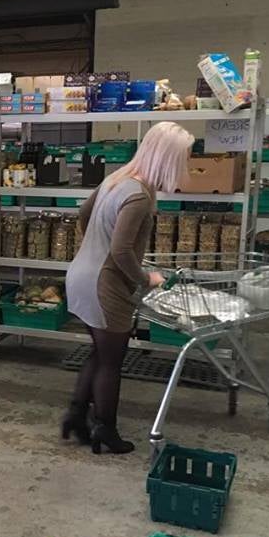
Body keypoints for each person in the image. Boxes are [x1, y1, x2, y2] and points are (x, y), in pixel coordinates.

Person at [62, 122, 194, 454]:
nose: (185, 165)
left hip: (81, 275)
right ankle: (105, 430)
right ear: (167, 158)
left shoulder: (117, 179)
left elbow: (83, 215)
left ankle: (77, 417)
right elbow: (121, 251)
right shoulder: (138, 195)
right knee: (111, 361)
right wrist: (146, 278)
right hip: (104, 286)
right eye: (183, 158)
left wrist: (95, 246)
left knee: (99, 352)